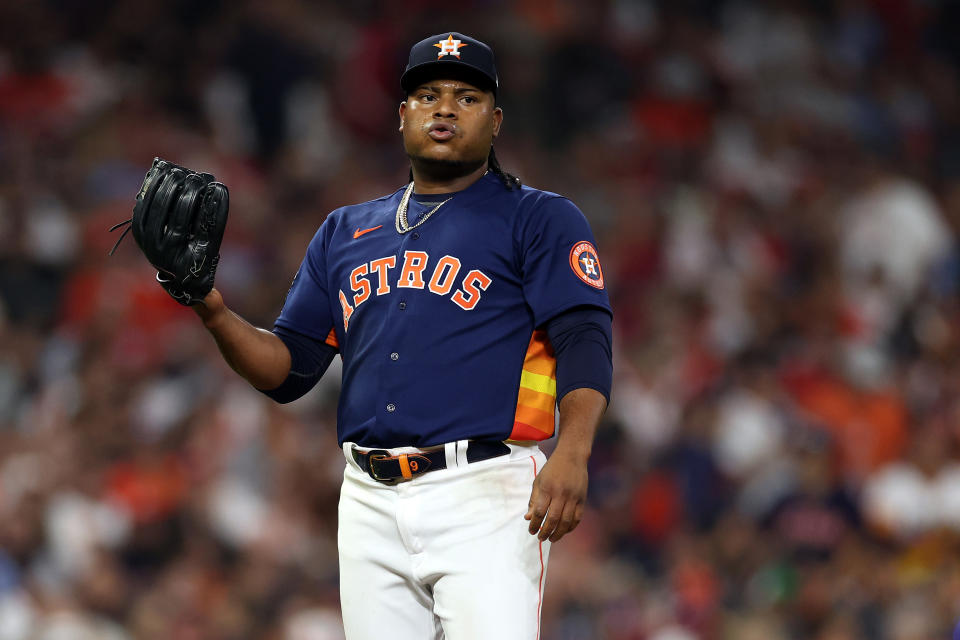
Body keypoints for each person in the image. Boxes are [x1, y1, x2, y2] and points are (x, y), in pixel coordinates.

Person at [186, 32, 612, 639]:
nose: (444, 108)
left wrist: (573, 452)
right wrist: (213, 310)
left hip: (484, 492)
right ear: (402, 115)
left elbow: (584, 337)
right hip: (366, 497)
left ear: (495, 122)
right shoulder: (345, 230)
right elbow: (289, 371)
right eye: (427, 94)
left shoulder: (537, 217)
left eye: (466, 97)